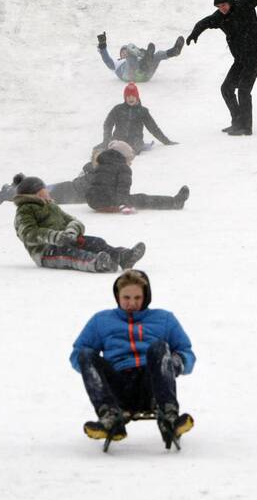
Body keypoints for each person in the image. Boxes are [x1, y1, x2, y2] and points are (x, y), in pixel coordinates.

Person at [70, 270, 195, 445]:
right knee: (85, 353)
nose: (132, 303)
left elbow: (187, 353)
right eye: (126, 298)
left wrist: (172, 364)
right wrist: (90, 368)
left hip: (152, 384)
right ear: (117, 296)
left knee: (159, 347)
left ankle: (169, 416)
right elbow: (77, 355)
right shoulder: (101, 321)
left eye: (137, 298)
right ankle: (110, 417)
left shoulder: (164, 319)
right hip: (118, 386)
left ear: (146, 296)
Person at [187, 0, 257, 136]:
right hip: (241, 59)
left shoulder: (244, 4)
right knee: (226, 88)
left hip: (255, 54)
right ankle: (237, 122)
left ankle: (246, 127)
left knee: (243, 90)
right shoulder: (219, 17)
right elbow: (204, 22)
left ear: (229, 1)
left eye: (224, 5)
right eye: (219, 7)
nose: (222, 9)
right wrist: (194, 33)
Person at [12, 175, 146, 272]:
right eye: (42, 192)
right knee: (69, 253)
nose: (47, 193)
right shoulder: (24, 211)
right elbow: (28, 233)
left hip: (66, 239)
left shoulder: (51, 205)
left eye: (45, 190)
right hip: (46, 252)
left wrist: (71, 232)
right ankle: (97, 262)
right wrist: (55, 236)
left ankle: (122, 256)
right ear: (34, 195)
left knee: (96, 242)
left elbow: (72, 220)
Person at [0, 142, 130, 206]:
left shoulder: (102, 172)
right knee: (37, 195)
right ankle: (9, 192)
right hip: (68, 190)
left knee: (39, 191)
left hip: (69, 190)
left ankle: (16, 187)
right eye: (95, 160)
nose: (98, 163)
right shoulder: (96, 172)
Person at [86, 144, 190, 212]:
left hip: (93, 201)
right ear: (123, 156)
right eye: (130, 159)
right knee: (143, 199)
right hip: (108, 202)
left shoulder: (102, 164)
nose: (131, 162)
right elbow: (123, 191)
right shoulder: (123, 168)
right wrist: (123, 205)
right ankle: (175, 202)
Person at [101, 83, 176, 153]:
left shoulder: (143, 111)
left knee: (128, 151)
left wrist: (166, 141)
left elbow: (153, 128)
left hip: (135, 142)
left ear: (137, 97)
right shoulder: (117, 109)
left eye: (133, 96)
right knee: (110, 150)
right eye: (128, 96)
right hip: (119, 140)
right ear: (125, 97)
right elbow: (107, 124)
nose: (131, 98)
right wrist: (106, 140)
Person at [97, 31, 185, 82]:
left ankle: (174, 51)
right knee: (131, 50)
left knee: (157, 55)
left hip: (145, 75)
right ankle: (146, 59)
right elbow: (107, 61)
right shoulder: (117, 63)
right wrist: (103, 46)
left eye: (125, 51)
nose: (124, 53)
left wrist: (145, 54)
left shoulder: (137, 57)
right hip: (130, 75)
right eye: (123, 52)